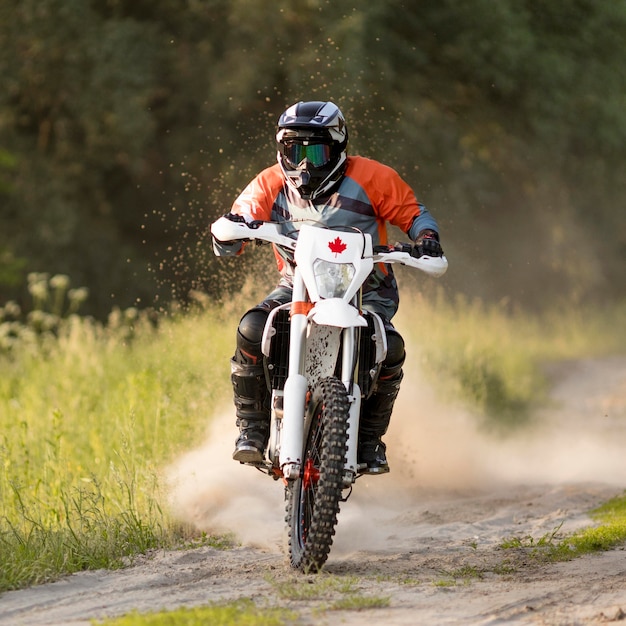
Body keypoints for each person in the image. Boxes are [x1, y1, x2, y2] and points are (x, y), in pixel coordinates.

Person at [212, 100, 443, 474]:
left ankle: (369, 440)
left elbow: (415, 214)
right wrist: (231, 232)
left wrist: (427, 237)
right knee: (252, 329)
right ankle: (251, 430)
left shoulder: (372, 177)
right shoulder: (271, 181)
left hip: (368, 291)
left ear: (338, 147)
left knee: (391, 349)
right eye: (294, 150)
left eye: (316, 151)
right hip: (297, 286)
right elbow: (242, 214)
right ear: (280, 149)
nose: (304, 164)